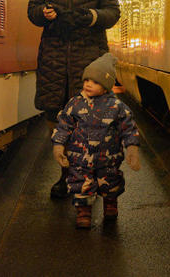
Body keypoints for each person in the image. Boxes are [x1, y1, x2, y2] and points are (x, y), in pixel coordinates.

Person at [27, 0, 120, 198]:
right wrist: (43, 13)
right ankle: (66, 175)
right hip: (54, 57)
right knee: (57, 120)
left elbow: (113, 12)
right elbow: (32, 10)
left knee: (88, 122)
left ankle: (86, 177)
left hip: (88, 58)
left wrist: (92, 17)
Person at [51, 53, 140, 228]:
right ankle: (83, 212)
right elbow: (63, 125)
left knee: (111, 182)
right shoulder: (75, 103)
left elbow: (129, 128)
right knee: (80, 183)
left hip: (108, 158)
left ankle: (110, 204)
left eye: (95, 81)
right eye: (86, 80)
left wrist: (132, 149)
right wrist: (58, 146)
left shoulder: (116, 107)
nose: (88, 84)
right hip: (79, 158)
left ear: (106, 86)